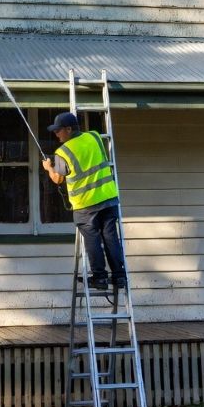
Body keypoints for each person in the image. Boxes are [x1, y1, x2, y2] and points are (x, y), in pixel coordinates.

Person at [41, 112, 127, 290]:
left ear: (69, 129)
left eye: (58, 130)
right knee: (111, 238)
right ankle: (119, 277)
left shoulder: (62, 152)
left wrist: (48, 167)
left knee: (93, 240)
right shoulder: (95, 137)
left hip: (85, 204)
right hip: (108, 197)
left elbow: (58, 179)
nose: (56, 134)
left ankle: (100, 278)